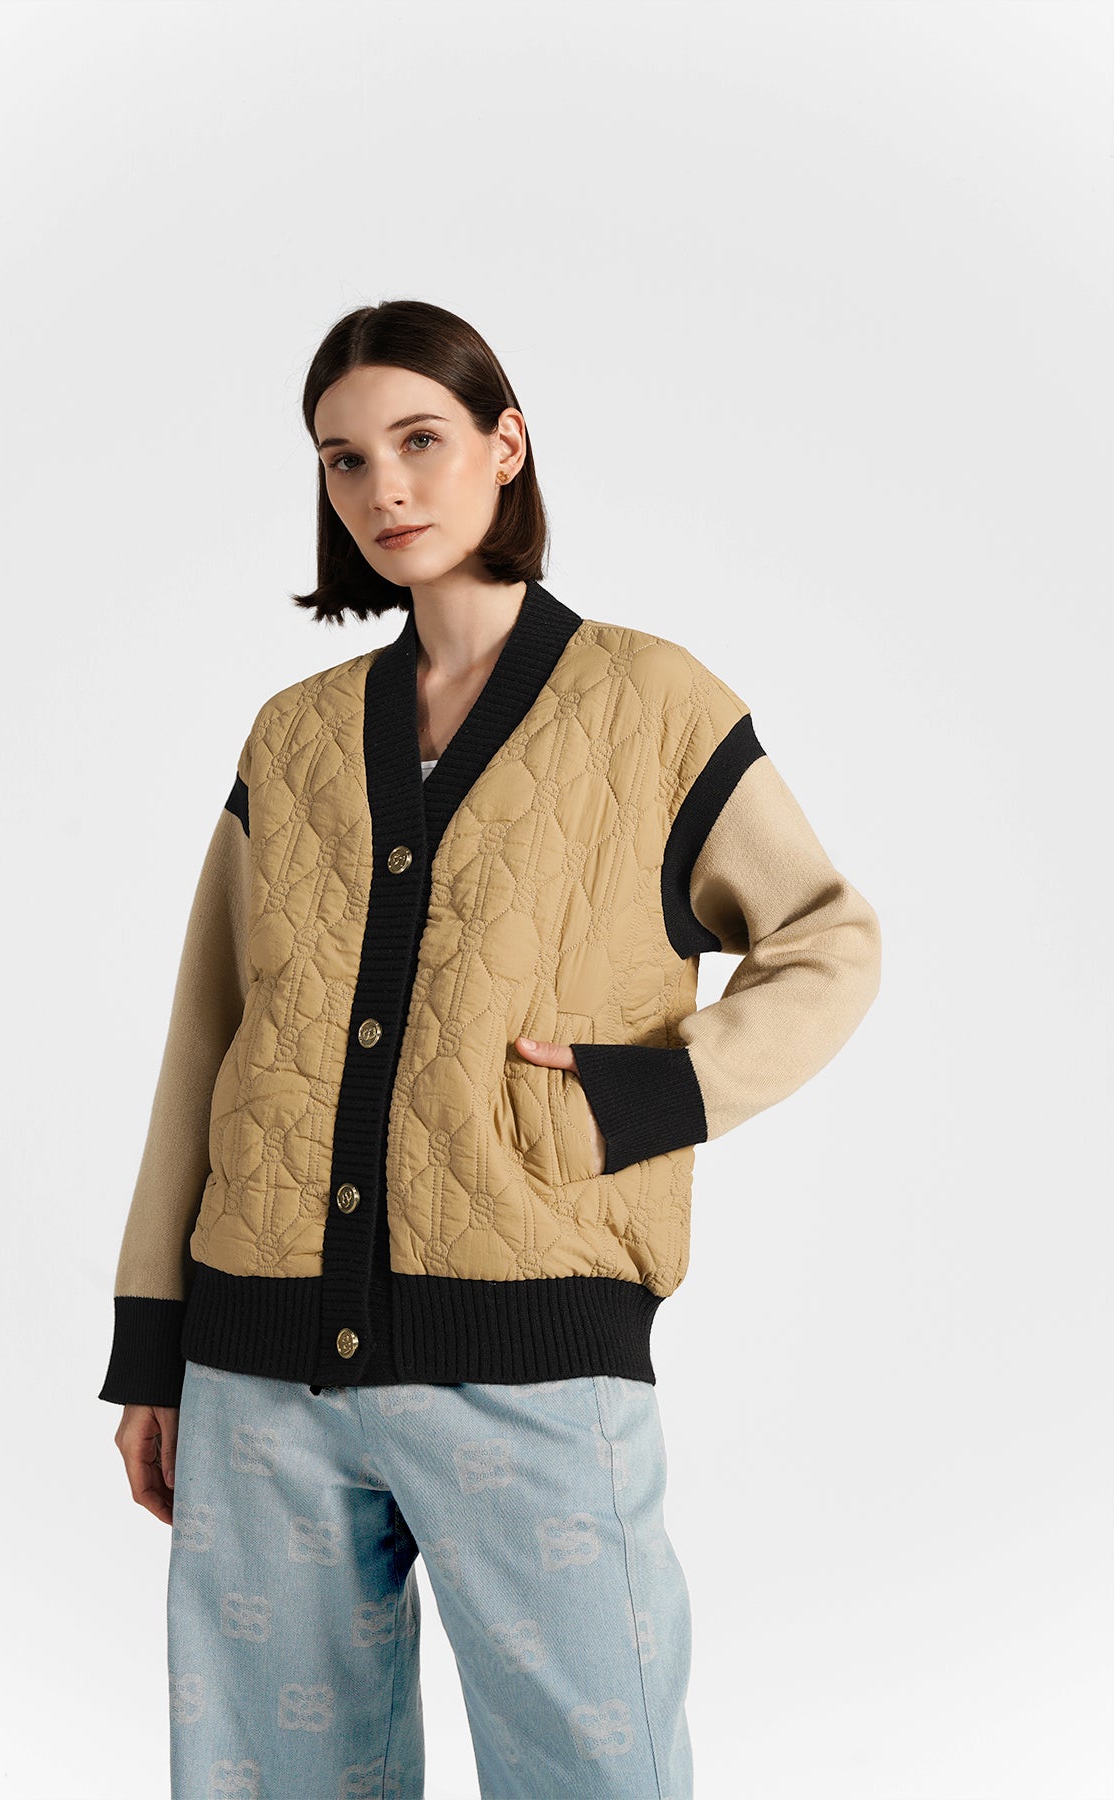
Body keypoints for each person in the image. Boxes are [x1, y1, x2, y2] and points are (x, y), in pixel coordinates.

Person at [99, 298, 882, 1800]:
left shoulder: (651, 705)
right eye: (343, 460)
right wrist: (155, 1342)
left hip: (531, 1362)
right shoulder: (295, 737)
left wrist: (637, 1099)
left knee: (600, 1774)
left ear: (505, 445)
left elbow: (829, 939)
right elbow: (210, 1036)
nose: (383, 487)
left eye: (420, 441)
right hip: (259, 1370)